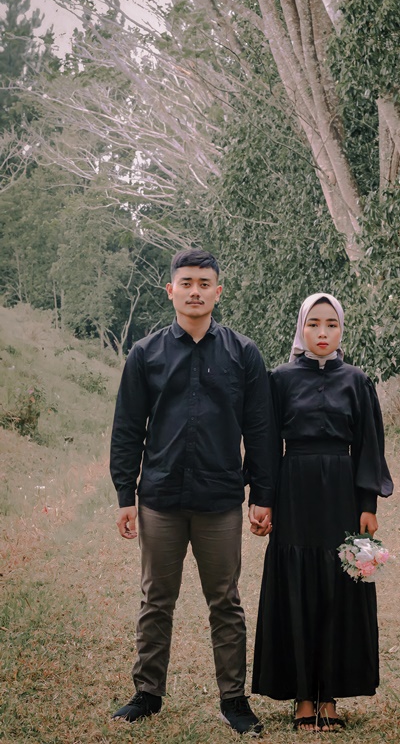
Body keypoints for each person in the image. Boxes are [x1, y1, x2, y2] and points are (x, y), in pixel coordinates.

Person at [110, 248, 273, 735]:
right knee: (156, 599)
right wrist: (125, 495)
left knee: (225, 601)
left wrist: (262, 495)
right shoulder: (145, 354)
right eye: (187, 283)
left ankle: (234, 700)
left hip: (219, 500)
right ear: (171, 290)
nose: (195, 291)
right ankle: (147, 694)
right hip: (160, 498)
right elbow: (127, 429)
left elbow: (260, 429)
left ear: (218, 291)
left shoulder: (243, 354)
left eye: (205, 283)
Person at [252, 293, 393, 731]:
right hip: (294, 490)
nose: (322, 332)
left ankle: (329, 696)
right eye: (313, 323)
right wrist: (263, 498)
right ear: (301, 328)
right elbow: (266, 444)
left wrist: (368, 505)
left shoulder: (357, 380)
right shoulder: (279, 379)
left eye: (331, 324)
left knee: (339, 586)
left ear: (341, 330)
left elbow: (369, 444)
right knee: (296, 587)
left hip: (342, 494)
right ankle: (301, 698)